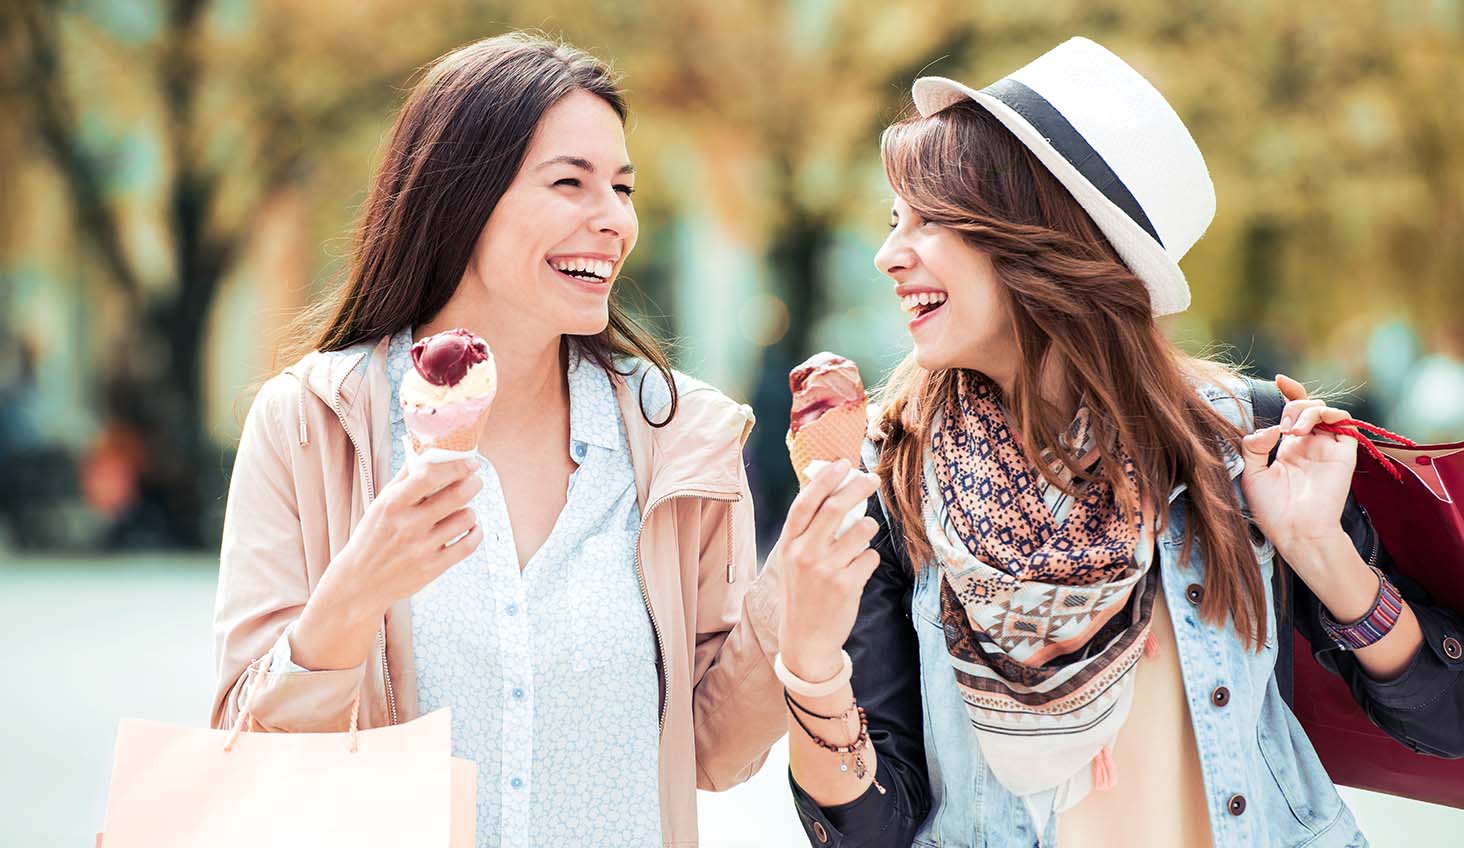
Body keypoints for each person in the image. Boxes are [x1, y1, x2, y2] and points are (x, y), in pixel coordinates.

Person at [778, 37, 1464, 847]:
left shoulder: (1241, 444)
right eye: (895, 221)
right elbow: (873, 832)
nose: (888, 255)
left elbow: (1446, 721)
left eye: (928, 220)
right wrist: (810, 665)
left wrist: (1318, 547)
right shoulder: (892, 477)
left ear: (1039, 239)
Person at [211, 33, 853, 847]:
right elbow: (243, 749)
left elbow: (715, 752)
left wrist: (794, 589)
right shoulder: (310, 424)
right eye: (570, 183)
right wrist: (352, 596)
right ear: (462, 199)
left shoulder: (680, 436)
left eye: (623, 188)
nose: (614, 219)